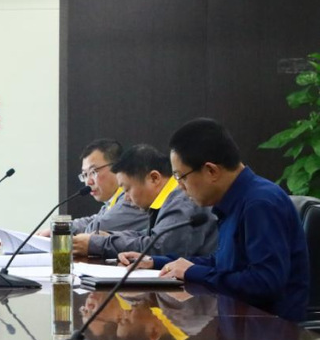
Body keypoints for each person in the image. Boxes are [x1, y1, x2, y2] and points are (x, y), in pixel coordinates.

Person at [121, 118, 309, 321]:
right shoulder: (235, 200)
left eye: (181, 177)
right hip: (239, 324)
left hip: (270, 332)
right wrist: (155, 262)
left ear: (211, 170)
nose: (180, 187)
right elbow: (224, 263)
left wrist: (194, 272)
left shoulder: (260, 203)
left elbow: (264, 283)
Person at [77, 144, 217, 258]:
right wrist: (109, 237)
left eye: (127, 189)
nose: (125, 198)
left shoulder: (181, 201)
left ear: (154, 178)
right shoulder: (166, 201)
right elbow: (148, 235)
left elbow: (159, 248)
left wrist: (97, 244)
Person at [39, 139, 147, 237]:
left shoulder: (131, 199)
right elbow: (93, 220)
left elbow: (96, 230)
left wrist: (62, 230)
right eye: (85, 175)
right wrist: (59, 228)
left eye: (93, 172)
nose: (88, 182)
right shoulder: (112, 202)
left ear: (116, 167)